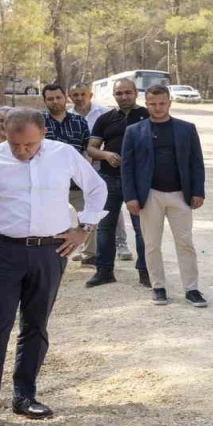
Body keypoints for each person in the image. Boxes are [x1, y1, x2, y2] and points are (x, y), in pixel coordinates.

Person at [0, 108, 107, 426]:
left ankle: (24, 395)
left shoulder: (64, 154)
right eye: (15, 144)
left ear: (44, 133)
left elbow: (97, 189)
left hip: (51, 251)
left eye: (29, 145)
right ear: (5, 134)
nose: (21, 151)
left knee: (35, 325)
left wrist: (84, 228)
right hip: (4, 251)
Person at [121, 84, 209, 307]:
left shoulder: (186, 129)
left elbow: (196, 163)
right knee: (151, 244)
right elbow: (127, 167)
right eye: (152, 104)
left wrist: (198, 191)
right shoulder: (134, 131)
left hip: (181, 194)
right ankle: (158, 287)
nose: (158, 107)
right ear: (147, 103)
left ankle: (192, 289)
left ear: (169, 103)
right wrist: (130, 196)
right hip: (149, 195)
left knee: (185, 242)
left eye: (162, 103)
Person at [86, 78, 149, 288]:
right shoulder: (106, 118)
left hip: (139, 181)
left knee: (142, 228)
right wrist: (105, 154)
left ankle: (145, 272)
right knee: (105, 227)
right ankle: (104, 271)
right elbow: (91, 148)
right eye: (119, 93)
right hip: (109, 178)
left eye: (128, 92)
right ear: (114, 95)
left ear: (136, 93)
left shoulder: (147, 116)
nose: (124, 96)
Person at [69, 83, 125, 263]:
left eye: (82, 94)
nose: (79, 98)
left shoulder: (103, 113)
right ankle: (84, 245)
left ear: (90, 94)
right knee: (83, 207)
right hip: (79, 167)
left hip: (101, 165)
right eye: (75, 94)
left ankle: (121, 242)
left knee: (108, 204)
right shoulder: (69, 116)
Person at [43, 83, 93, 236]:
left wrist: (84, 172)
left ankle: (88, 254)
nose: (55, 101)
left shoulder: (79, 122)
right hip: (48, 184)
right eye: (50, 99)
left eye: (58, 97)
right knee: (50, 222)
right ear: (44, 101)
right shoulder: (37, 122)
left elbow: (87, 149)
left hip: (76, 183)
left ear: (65, 98)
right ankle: (54, 253)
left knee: (89, 219)